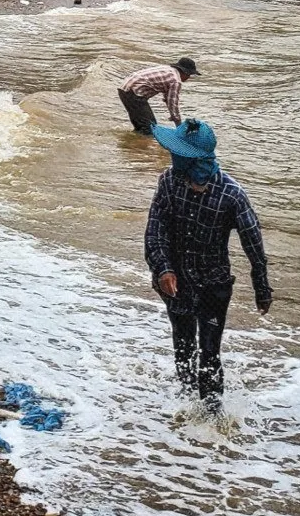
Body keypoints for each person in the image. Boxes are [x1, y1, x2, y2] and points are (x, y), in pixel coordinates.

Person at [142, 119, 272, 402]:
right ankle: (186, 406)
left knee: (210, 352)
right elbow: (155, 230)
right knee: (183, 344)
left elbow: (253, 244)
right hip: (176, 280)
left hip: (213, 284)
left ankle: (212, 416)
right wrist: (163, 268)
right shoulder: (168, 182)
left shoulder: (232, 194)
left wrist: (261, 288)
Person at [117, 57, 199, 135]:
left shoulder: (168, 70)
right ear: (185, 72)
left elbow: (168, 99)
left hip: (125, 88)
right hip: (134, 92)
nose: (189, 77)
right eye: (189, 75)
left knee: (141, 125)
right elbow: (172, 104)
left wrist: (173, 116)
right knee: (149, 127)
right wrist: (179, 125)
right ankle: (140, 143)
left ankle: (133, 140)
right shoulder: (175, 81)